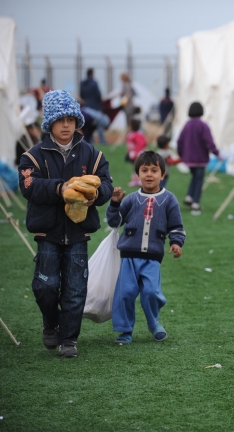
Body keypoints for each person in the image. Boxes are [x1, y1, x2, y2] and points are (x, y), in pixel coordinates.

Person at [18, 89, 114, 358]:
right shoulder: (33, 156)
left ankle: (68, 339)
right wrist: (61, 189)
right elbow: (28, 186)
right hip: (46, 232)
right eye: (61, 120)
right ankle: (51, 322)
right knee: (45, 285)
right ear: (49, 123)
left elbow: (106, 183)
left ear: (77, 122)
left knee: (75, 289)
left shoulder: (92, 155)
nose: (66, 125)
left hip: (78, 233)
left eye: (71, 120)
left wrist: (96, 194)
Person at [107, 151, 185, 344]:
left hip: (153, 257)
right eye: (144, 170)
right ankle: (125, 330)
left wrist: (176, 242)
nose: (149, 174)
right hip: (128, 256)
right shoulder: (131, 199)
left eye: (154, 170)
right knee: (125, 294)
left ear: (163, 175)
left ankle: (153, 322)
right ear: (137, 174)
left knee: (151, 292)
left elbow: (176, 226)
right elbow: (114, 222)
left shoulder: (169, 199)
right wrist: (115, 204)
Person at [176, 101, 219, 215]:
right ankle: (195, 203)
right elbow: (208, 142)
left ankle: (190, 196)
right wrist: (217, 153)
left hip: (189, 159)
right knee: (199, 180)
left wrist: (181, 154)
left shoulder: (187, 125)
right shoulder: (203, 126)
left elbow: (180, 140)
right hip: (200, 159)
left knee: (194, 177)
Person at [80, 68, 107, 143]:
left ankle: (89, 141)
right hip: (95, 107)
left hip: (86, 107)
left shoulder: (82, 83)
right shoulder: (94, 83)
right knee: (100, 123)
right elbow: (98, 95)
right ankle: (102, 140)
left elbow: (81, 95)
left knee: (88, 125)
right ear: (92, 74)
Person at [126, 118, 147, 187]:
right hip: (133, 154)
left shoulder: (137, 135)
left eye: (129, 125)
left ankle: (139, 180)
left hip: (137, 154)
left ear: (132, 126)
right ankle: (135, 180)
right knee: (135, 167)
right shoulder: (131, 134)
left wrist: (136, 152)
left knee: (139, 167)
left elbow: (141, 143)